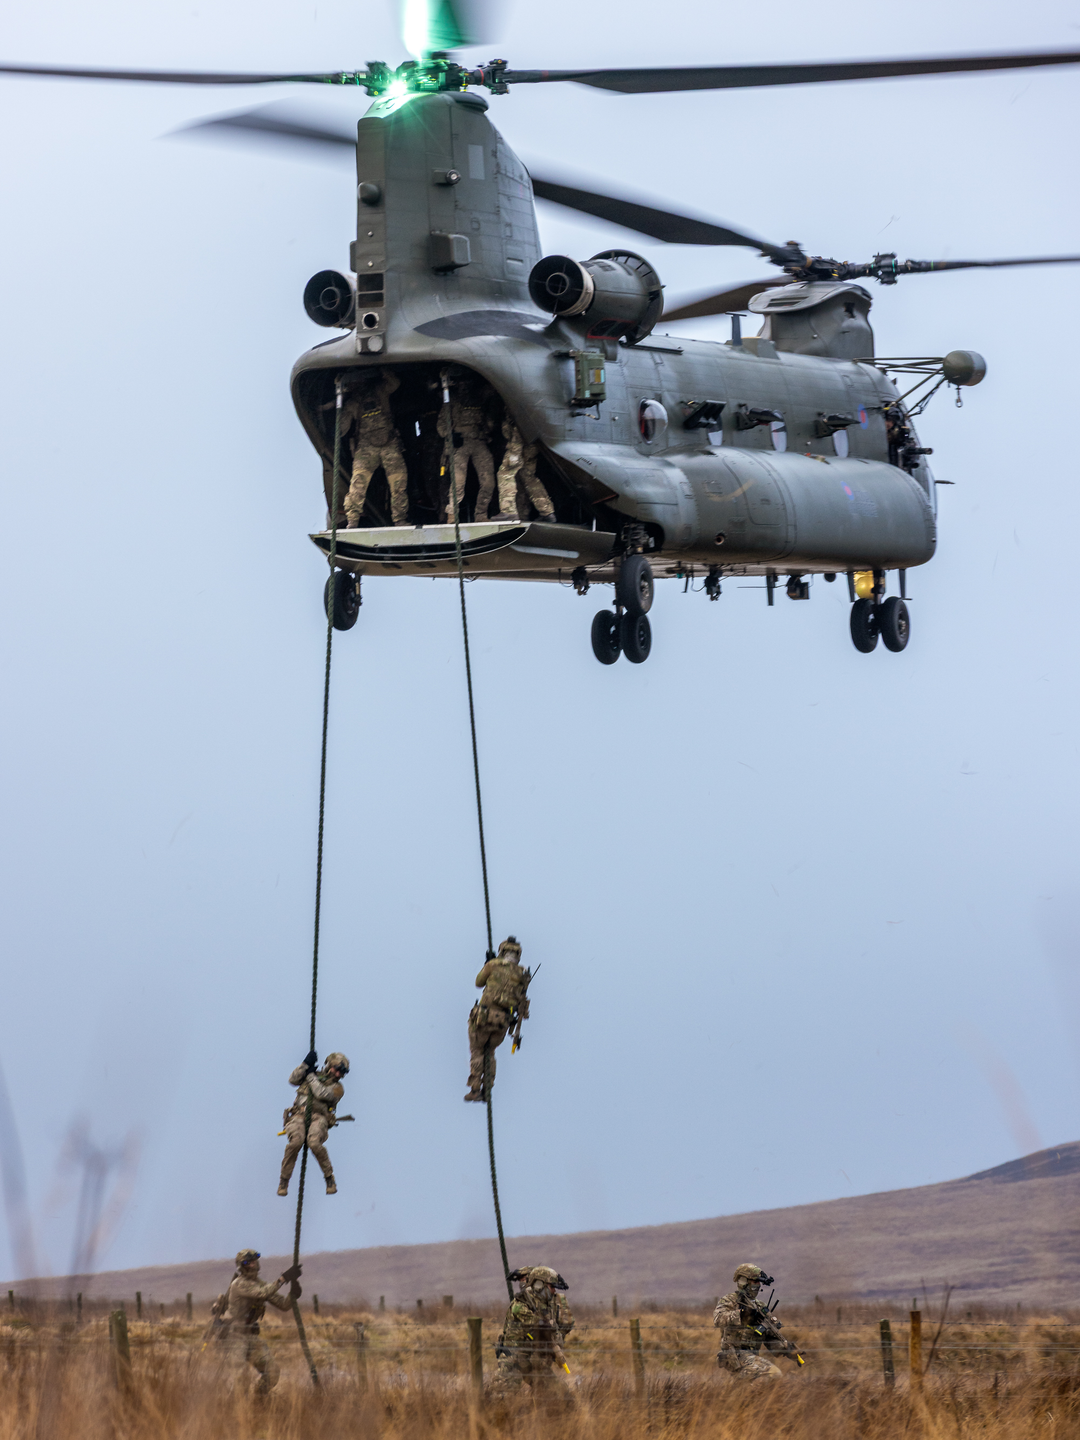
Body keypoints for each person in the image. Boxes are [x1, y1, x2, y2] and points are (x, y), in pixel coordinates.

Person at [207, 1249, 301, 1394]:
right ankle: (239, 1410)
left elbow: (283, 1305)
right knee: (242, 1378)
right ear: (241, 1266)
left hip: (251, 1335)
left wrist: (293, 1294)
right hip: (233, 1337)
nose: (252, 1265)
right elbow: (262, 1293)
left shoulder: (259, 1283)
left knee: (272, 1372)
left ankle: (258, 1401)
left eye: (254, 1261)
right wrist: (282, 1279)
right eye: (247, 1262)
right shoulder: (239, 1284)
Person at [465, 937, 530, 1102]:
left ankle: (475, 1089)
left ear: (502, 951)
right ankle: (488, 1088)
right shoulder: (522, 974)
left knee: (477, 1051)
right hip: (503, 1022)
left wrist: (489, 963)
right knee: (491, 1053)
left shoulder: (493, 965)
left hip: (483, 1018)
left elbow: (479, 983)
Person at [491, 1265, 574, 1393]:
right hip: (513, 1359)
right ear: (539, 1285)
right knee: (503, 1396)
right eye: (551, 1287)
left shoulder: (546, 1303)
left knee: (560, 1394)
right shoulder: (521, 1303)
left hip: (533, 1360)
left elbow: (560, 1327)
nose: (554, 1291)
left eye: (525, 1279)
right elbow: (537, 1324)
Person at [342, 369, 410, 527]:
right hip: (366, 448)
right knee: (358, 484)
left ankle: (399, 519)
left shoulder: (380, 390)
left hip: (389, 443)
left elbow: (394, 383)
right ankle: (352, 520)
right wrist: (340, 403)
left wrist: (383, 370)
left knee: (398, 483)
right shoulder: (353, 403)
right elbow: (342, 429)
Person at [278, 1051, 350, 1196]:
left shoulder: (338, 1088)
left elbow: (321, 1093)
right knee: (295, 1143)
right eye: (337, 1069)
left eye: (341, 1072)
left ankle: (329, 1178)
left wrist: (310, 1076)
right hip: (298, 1116)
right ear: (329, 1065)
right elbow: (293, 1079)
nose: (338, 1074)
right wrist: (305, 1065)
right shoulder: (313, 1075)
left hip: (319, 1118)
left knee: (314, 1143)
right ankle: (284, 1181)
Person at [713, 1263, 797, 1381]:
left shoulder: (760, 1306)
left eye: (759, 1282)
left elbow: (768, 1337)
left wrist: (785, 1349)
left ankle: (741, 1396)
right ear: (743, 1281)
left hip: (751, 1356)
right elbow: (718, 1319)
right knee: (773, 1374)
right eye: (755, 1281)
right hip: (734, 1356)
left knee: (764, 1381)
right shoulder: (730, 1300)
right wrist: (742, 1314)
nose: (758, 1285)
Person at [438, 377, 496, 522]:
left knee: (489, 482)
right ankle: (452, 515)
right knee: (457, 482)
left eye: (467, 381)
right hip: (460, 443)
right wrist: (450, 435)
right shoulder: (451, 400)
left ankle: (481, 515)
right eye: (462, 382)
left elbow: (493, 387)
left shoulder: (480, 396)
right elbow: (441, 426)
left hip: (479, 442)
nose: (465, 385)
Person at [494, 417, 557, 522]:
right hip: (532, 444)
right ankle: (547, 512)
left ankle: (508, 511)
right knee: (528, 477)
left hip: (518, 443)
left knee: (505, 473)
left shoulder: (516, 404)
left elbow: (519, 423)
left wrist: (515, 451)